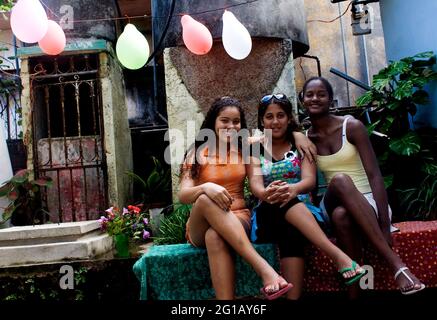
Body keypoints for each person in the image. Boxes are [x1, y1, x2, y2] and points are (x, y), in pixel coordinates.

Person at [302, 76, 426, 297]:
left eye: (321, 94)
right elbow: (308, 180)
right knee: (339, 182)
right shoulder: (305, 138)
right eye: (309, 94)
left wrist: (385, 226)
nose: (315, 98)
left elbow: (375, 175)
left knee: (343, 216)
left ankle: (354, 293)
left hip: (367, 201)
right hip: (330, 201)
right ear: (302, 100)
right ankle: (397, 266)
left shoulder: (352, 126)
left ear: (331, 100)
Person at [248, 93, 366, 300]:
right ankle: (337, 256)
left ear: (289, 118)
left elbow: (309, 181)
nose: (275, 121)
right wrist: (267, 193)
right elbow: (255, 186)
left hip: (304, 214)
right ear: (261, 120)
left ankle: (292, 298)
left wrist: (293, 189)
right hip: (267, 214)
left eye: (281, 115)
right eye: (269, 117)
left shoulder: (300, 145)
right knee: (282, 202)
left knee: (290, 227)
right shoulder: (257, 148)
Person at [178, 96, 293, 300]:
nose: (231, 126)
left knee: (215, 236)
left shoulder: (245, 149)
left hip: (239, 217)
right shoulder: (196, 153)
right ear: (213, 121)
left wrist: (268, 192)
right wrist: (206, 187)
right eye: (225, 120)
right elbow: (184, 195)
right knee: (205, 199)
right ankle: (265, 270)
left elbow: (277, 138)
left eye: (236, 121)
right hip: (199, 225)